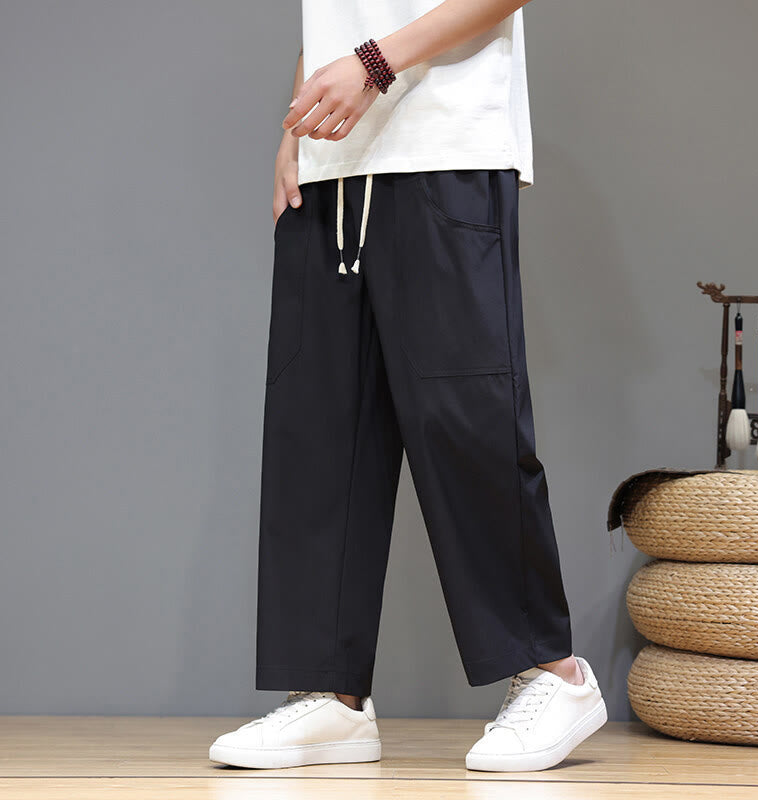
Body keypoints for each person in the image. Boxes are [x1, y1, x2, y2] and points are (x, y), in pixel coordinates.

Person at [210, 0, 607, 773]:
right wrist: (293, 129)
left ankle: (554, 674)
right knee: (318, 424)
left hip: (446, 145)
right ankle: (331, 696)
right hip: (334, 157)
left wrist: (373, 65)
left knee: (466, 418)